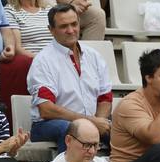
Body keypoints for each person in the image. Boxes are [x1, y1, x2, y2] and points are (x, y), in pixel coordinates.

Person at [26, 5, 111, 143]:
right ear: (51, 30)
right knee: (72, 130)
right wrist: (90, 122)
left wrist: (99, 121)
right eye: (64, 26)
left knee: (123, 126)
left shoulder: (94, 56)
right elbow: (46, 110)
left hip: (90, 120)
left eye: (74, 24)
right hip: (48, 124)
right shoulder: (43, 61)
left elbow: (105, 98)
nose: (71, 30)